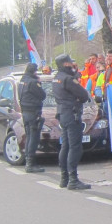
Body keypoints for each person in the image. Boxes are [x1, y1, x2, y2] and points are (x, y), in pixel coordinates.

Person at [52, 54, 91, 189]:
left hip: (63, 113)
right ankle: (73, 179)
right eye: (70, 63)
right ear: (65, 64)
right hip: (72, 114)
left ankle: (64, 178)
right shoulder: (68, 79)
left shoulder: (56, 78)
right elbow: (84, 95)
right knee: (75, 147)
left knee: (66, 145)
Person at [18, 63, 46, 173]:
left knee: (29, 137)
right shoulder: (33, 82)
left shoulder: (22, 80)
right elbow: (42, 95)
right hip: (33, 111)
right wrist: (38, 82)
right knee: (33, 138)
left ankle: (29, 161)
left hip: (25, 111)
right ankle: (30, 163)